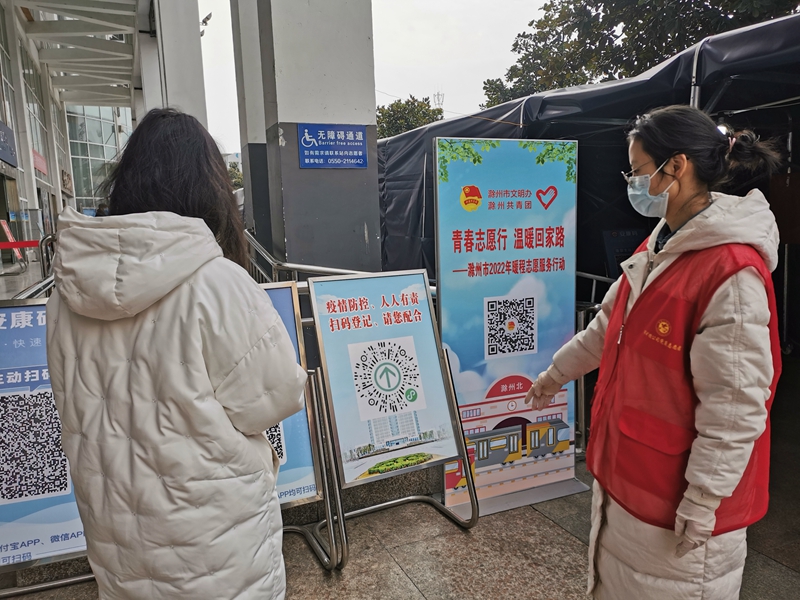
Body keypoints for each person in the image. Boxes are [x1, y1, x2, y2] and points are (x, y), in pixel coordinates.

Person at [46, 108, 307, 599]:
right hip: (213, 538)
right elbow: (274, 398)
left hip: (118, 531)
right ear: (207, 187)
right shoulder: (216, 282)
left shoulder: (65, 295)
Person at [525, 105, 782, 599]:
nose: (632, 183)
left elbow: (735, 405)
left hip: (681, 505)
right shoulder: (660, 245)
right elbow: (607, 328)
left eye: (637, 170)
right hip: (633, 475)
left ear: (676, 166)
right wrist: (555, 375)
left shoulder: (730, 272)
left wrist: (703, 500)